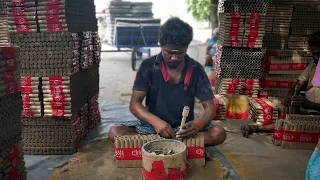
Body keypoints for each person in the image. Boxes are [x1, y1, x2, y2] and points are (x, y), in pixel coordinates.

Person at [108, 17, 226, 146]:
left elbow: (210, 108)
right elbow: (134, 104)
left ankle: (158, 144)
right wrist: (156, 122)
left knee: (218, 133)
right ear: (161, 44)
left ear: (187, 47)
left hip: (184, 130)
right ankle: (178, 145)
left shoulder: (196, 69)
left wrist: (197, 125)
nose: (174, 57)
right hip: (152, 128)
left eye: (180, 53)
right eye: (169, 52)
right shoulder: (148, 66)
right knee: (115, 132)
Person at [240, 30, 320, 137]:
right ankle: (256, 128)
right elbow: (299, 83)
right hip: (307, 113)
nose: (315, 57)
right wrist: (290, 95)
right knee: (287, 121)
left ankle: (257, 128)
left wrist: (309, 104)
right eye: (313, 53)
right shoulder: (314, 65)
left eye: (318, 53)